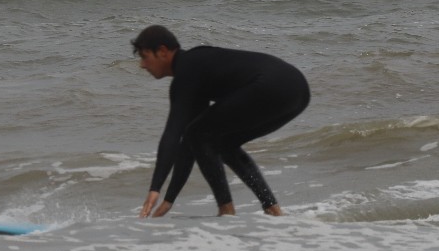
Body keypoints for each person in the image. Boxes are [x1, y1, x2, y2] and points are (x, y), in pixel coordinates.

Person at [132, 25, 310, 217]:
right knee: (221, 142)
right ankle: (272, 209)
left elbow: (172, 134)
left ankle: (226, 210)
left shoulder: (187, 71)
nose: (142, 65)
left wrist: (155, 188)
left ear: (162, 51)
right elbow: (189, 144)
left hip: (272, 85)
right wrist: (169, 199)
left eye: (144, 56)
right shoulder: (195, 72)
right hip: (298, 91)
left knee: (200, 134)